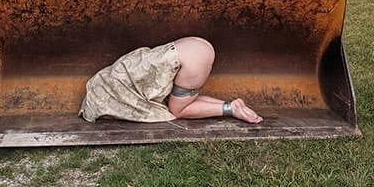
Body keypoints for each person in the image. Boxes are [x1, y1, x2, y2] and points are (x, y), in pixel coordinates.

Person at [79, 36, 263, 125]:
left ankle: (230, 110)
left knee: (178, 110)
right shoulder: (108, 80)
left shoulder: (104, 86)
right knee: (180, 102)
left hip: (189, 59)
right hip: (195, 46)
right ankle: (232, 105)